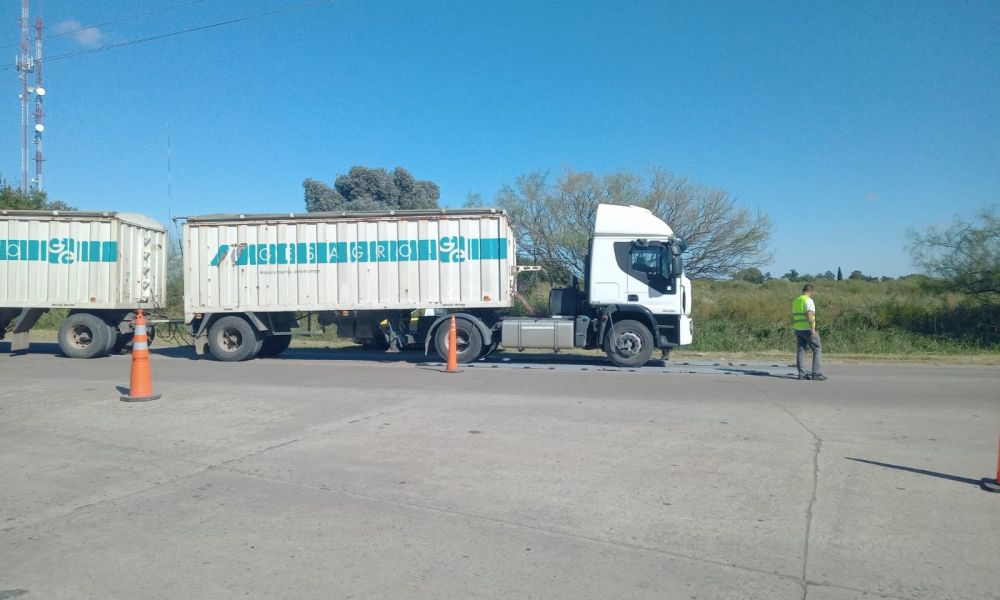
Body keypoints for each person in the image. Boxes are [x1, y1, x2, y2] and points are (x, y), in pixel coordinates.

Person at [792, 284, 827, 381]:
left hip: (798, 329)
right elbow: (809, 314)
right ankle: (816, 373)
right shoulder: (808, 300)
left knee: (801, 350)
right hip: (808, 329)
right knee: (817, 349)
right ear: (811, 291)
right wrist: (812, 328)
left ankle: (801, 374)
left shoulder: (796, 301)